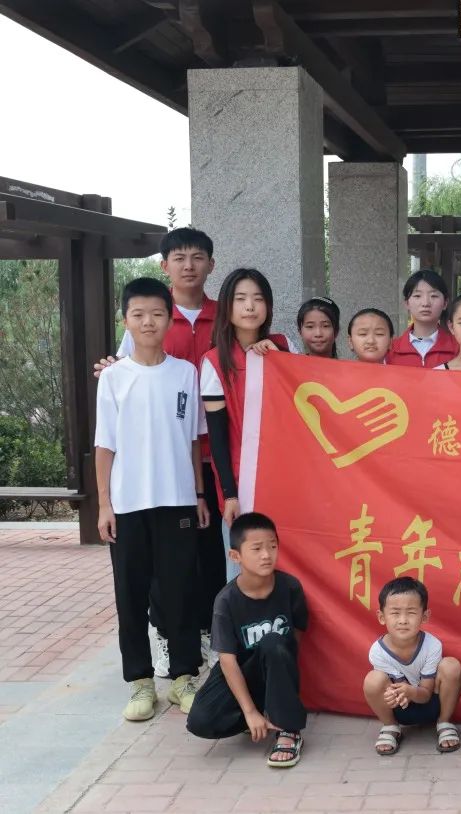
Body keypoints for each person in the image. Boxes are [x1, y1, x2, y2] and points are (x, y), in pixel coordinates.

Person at [94, 227, 222, 677]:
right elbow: (105, 442)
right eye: (139, 315)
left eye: (156, 315)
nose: (148, 322)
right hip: (132, 498)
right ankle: (143, 675)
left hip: (186, 487)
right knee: (134, 589)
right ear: (127, 321)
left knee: (188, 577)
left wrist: (199, 493)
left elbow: (193, 437)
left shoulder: (191, 366)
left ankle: (188, 665)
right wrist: (105, 503)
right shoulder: (117, 375)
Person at [186, 512, 309, 767]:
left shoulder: (290, 587)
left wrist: (283, 671)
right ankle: (258, 715)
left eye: (272, 546)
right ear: (235, 556)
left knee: (275, 643)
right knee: (200, 720)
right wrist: (250, 712)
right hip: (241, 669)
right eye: (257, 548)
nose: (266, 555)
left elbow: (296, 636)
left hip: (276, 665)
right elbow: (227, 661)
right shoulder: (226, 600)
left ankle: (288, 730)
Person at [201, 268, 290, 583]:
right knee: (244, 570)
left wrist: (282, 362)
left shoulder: (283, 346)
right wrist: (229, 494)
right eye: (240, 299)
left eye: (258, 298)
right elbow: (218, 438)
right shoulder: (214, 362)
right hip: (242, 481)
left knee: (287, 562)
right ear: (227, 306)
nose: (250, 306)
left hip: (285, 477)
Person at [363, 577, 461, 756]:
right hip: (400, 708)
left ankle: (444, 722)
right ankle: (391, 727)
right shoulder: (377, 651)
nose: (403, 620)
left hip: (430, 703)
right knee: (372, 680)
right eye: (395, 613)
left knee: (451, 666)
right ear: (381, 617)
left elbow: (425, 695)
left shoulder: (432, 645)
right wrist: (392, 696)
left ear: (425, 616)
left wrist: (409, 692)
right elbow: (395, 693)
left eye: (411, 613)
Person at [386, 270, 457, 367]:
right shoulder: (390, 350)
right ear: (407, 303)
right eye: (417, 296)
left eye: (433, 296)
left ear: (445, 303)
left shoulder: (459, 349)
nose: (425, 303)